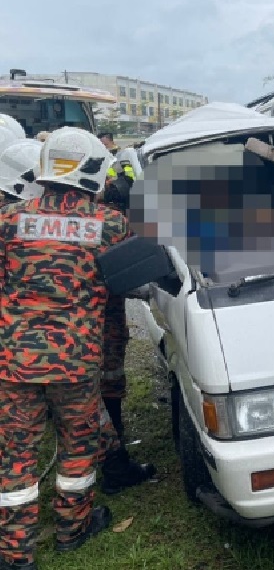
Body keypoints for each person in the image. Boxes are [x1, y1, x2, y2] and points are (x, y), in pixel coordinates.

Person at [0, 128, 125, 569]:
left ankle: (16, 553)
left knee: (15, 455)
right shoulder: (111, 224)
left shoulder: (8, 220)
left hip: (14, 363)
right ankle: (73, 528)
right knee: (78, 446)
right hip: (76, 362)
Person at [95, 136, 157, 494]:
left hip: (24, 347)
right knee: (101, 389)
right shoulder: (111, 223)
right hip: (95, 331)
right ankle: (113, 461)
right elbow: (136, 272)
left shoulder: (11, 220)